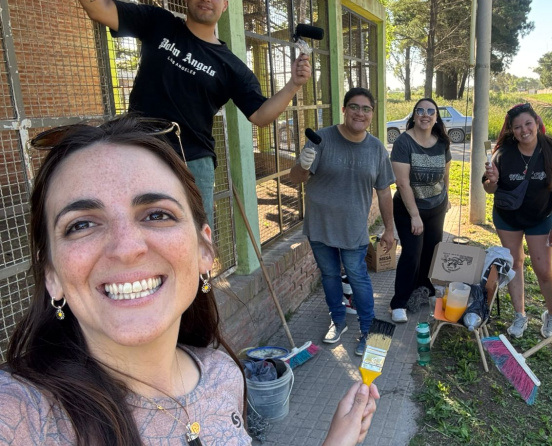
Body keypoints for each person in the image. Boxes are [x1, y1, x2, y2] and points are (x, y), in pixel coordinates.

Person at [0, 116, 378, 446]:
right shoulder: (22, 417)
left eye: (157, 215)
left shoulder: (224, 375)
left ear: (204, 250)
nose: (126, 248)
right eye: (81, 224)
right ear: (51, 275)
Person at [77, 0, 312, 227]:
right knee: (136, 230)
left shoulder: (232, 67)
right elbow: (99, 9)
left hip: (193, 163)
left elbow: (261, 116)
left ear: (225, 5)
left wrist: (294, 84)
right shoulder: (158, 22)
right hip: (139, 153)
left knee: (193, 240)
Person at [289, 88, 395, 356]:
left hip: (353, 229)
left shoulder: (376, 149)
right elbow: (297, 178)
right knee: (330, 275)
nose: (360, 113)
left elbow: (384, 191)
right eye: (354, 107)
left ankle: (367, 329)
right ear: (344, 109)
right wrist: (302, 164)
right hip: (320, 225)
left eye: (366, 108)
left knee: (358, 277)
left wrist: (390, 229)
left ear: (372, 113)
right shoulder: (321, 139)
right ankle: (337, 321)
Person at [483, 103, 552, 339]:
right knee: (514, 264)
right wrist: (492, 180)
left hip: (541, 217)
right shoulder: (503, 153)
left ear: (536, 123)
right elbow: (489, 189)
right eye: (517, 127)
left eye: (528, 124)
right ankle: (519, 315)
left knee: (543, 269)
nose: (524, 130)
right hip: (508, 217)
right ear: (511, 131)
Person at [389, 98, 451, 323]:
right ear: (414, 115)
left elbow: (445, 174)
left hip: (437, 207)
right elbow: (402, 183)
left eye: (430, 111)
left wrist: (448, 198)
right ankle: (398, 302)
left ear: (436, 117)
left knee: (431, 251)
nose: (425, 115)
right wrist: (415, 215)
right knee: (412, 253)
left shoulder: (442, 142)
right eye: (420, 111)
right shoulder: (403, 143)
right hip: (409, 209)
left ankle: (423, 288)